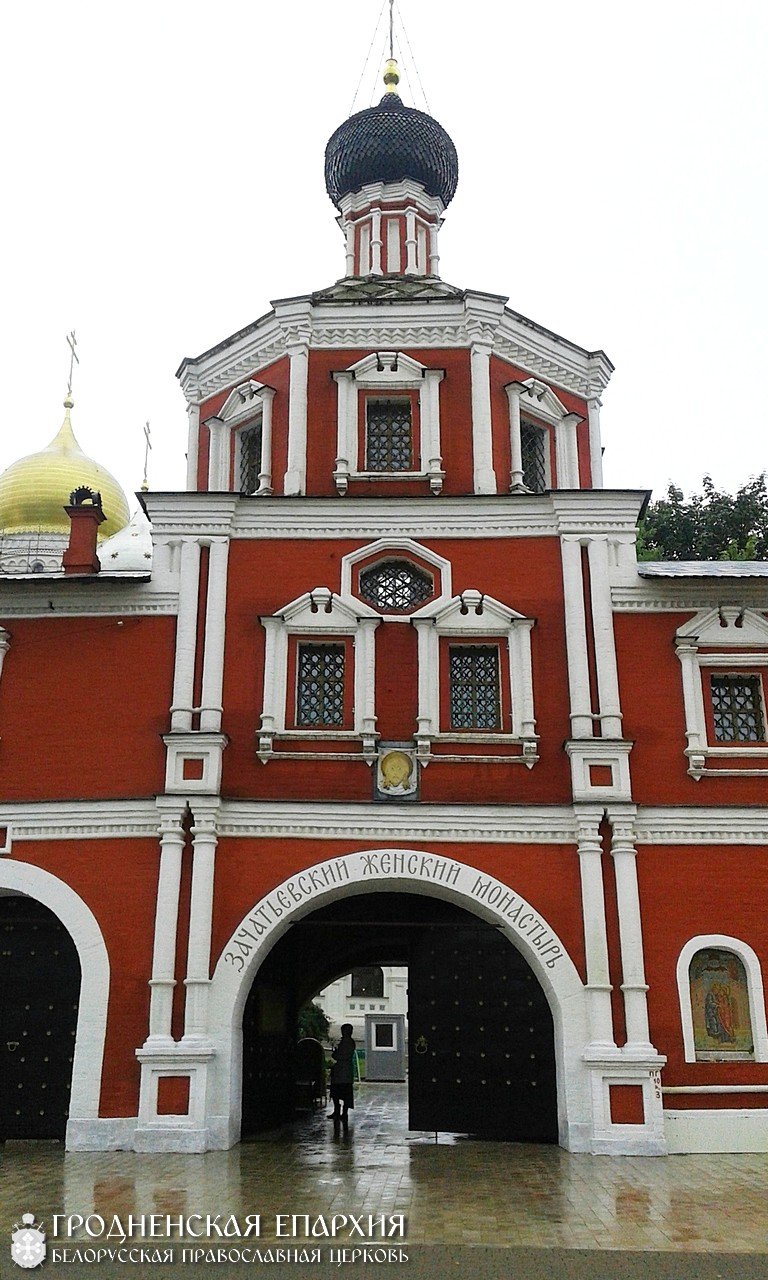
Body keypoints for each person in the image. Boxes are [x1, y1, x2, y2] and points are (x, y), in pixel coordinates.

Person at [328, 1024, 356, 1131]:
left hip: (342, 1071)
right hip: (344, 1072)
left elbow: (341, 1055)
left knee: (339, 1092)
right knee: (342, 1093)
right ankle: (340, 1112)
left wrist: (335, 1054)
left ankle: (341, 1112)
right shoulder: (349, 1042)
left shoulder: (347, 1042)